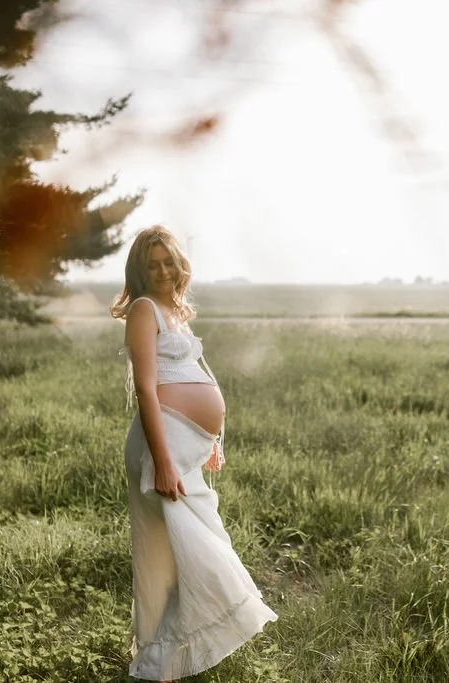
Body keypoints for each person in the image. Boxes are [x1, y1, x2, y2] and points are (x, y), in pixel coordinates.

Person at [111, 225, 277, 681]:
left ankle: (168, 659)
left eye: (169, 261)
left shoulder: (174, 311)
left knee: (184, 554)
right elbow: (147, 389)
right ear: (140, 271)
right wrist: (163, 461)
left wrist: (209, 440)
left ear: (180, 263)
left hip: (182, 445)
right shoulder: (144, 310)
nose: (163, 271)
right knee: (198, 556)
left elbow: (188, 373)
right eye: (153, 265)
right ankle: (161, 661)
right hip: (160, 448)